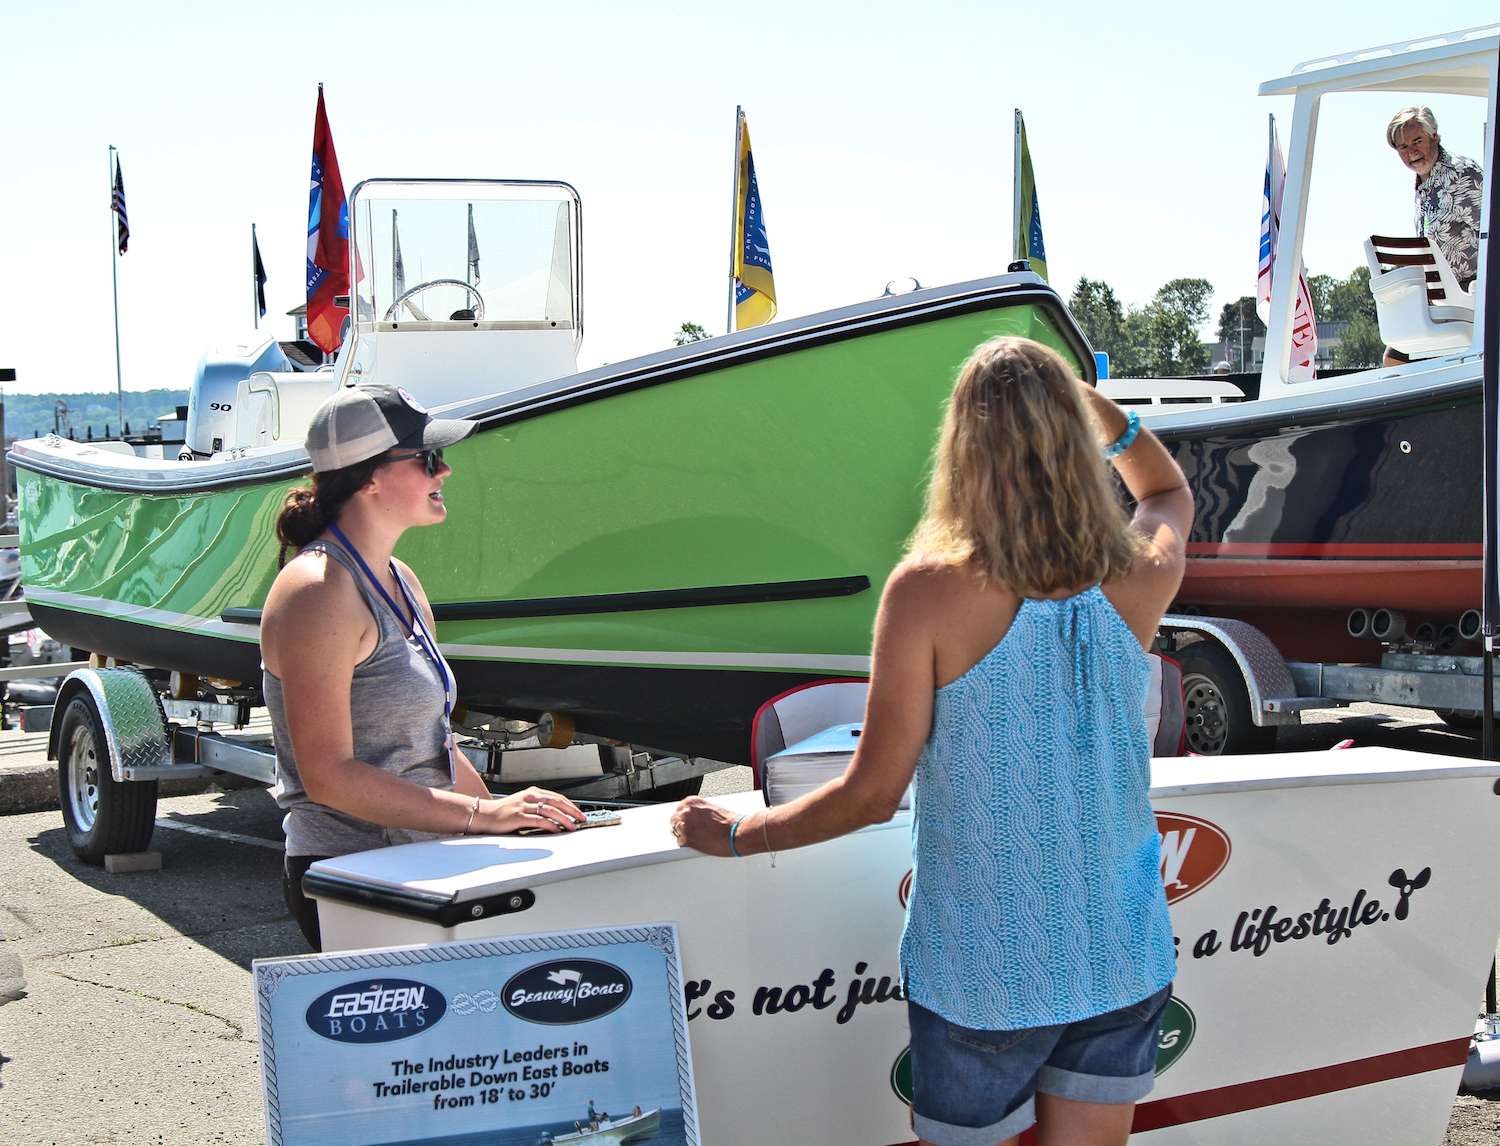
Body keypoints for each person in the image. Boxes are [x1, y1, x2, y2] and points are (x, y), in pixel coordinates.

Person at [672, 337, 1194, 1146]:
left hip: (990, 968)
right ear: (1073, 440)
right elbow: (1166, 490)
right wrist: (1104, 417)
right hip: (1122, 949)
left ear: (963, 451)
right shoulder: (1136, 573)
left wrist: (739, 833)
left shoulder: (928, 592)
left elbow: (873, 792)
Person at [263, 383, 585, 951]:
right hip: (356, 880)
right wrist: (483, 819)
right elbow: (327, 776)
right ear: (370, 477)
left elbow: (435, 745)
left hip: (424, 864)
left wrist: (511, 825)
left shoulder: (401, 579)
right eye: (429, 457)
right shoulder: (317, 591)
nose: (446, 471)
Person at [1383, 105, 1484, 367]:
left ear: (1435, 137)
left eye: (1418, 141)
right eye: (1403, 147)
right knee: (1394, 357)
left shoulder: (1462, 175)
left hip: (1472, 296)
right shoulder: (1422, 182)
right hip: (1438, 298)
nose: (1412, 152)